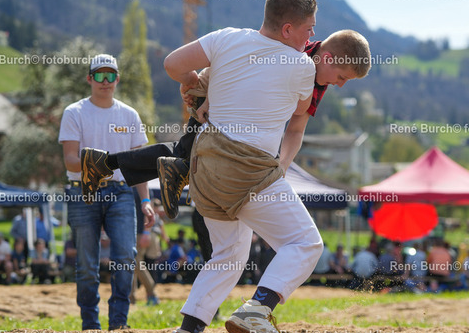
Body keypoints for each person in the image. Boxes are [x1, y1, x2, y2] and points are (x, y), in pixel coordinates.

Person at [160, 0, 326, 333]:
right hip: (247, 169)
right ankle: (258, 309)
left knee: (229, 255)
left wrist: (194, 85)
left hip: (204, 166)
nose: (312, 35)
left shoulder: (226, 37)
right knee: (305, 243)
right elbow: (301, 111)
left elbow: (172, 64)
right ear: (288, 29)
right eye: (308, 28)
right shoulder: (302, 66)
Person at [81, 26, 372, 222]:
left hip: (220, 97)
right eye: (342, 77)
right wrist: (210, 97)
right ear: (328, 58)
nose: (340, 85)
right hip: (215, 89)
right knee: (188, 155)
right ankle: (117, 166)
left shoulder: (316, 81)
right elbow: (240, 61)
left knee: (184, 153)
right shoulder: (292, 49)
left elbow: (296, 129)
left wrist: (282, 166)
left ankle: (105, 164)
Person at [58, 53, 154, 331]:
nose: (105, 81)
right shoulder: (74, 112)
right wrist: (103, 164)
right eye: (99, 75)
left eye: (110, 75)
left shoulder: (130, 115)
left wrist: (146, 200)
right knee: (87, 263)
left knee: (125, 258)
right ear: (89, 79)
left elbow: (139, 166)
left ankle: (119, 323)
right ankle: (90, 323)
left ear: (117, 79)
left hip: (121, 192)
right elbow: (70, 161)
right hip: (82, 191)